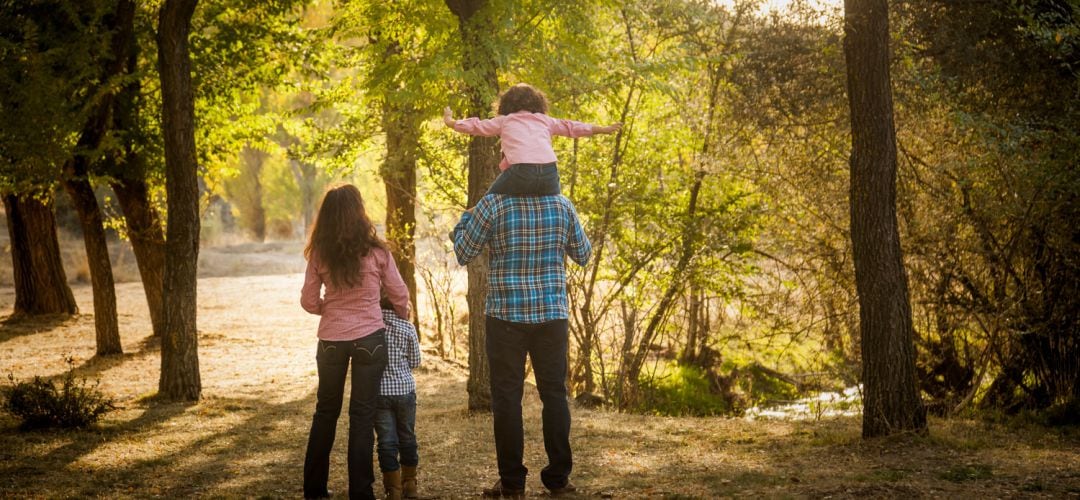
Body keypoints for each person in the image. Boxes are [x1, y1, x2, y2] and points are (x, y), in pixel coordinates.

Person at [451, 187, 592, 498]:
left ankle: (513, 483)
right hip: (551, 316)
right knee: (555, 394)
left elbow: (463, 251)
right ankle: (558, 479)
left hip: (506, 318)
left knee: (507, 400)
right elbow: (583, 254)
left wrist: (467, 215)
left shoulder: (493, 204)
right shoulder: (562, 204)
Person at [300, 184, 412, 500]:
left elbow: (309, 301)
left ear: (328, 217)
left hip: (331, 340)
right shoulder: (377, 251)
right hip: (370, 340)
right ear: (359, 212)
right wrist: (403, 318)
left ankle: (314, 490)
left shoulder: (320, 252)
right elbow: (399, 293)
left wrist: (330, 309)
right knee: (362, 417)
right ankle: (361, 492)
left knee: (325, 412)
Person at [443, 83, 621, 196]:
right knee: (559, 206)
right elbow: (572, 127)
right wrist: (602, 129)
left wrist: (451, 122)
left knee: (489, 200)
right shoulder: (545, 121)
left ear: (506, 104)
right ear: (538, 102)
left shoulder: (505, 121)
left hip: (521, 172)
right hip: (549, 173)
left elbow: (477, 126)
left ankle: (467, 228)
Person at [374, 295, 422, 500]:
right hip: (404, 391)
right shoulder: (407, 327)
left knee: (386, 442)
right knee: (407, 437)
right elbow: (416, 362)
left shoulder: (371, 328)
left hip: (379, 392)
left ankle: (393, 490)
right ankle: (410, 485)